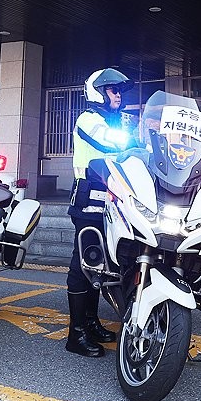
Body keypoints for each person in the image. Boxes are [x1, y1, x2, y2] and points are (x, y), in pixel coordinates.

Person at [66, 67, 134, 358]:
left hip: (113, 201)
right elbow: (111, 143)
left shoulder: (114, 120)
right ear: (97, 92)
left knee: (101, 265)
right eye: (112, 90)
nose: (118, 95)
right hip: (88, 198)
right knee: (84, 263)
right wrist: (138, 140)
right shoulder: (88, 119)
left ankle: (91, 322)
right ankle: (76, 332)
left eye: (119, 90)